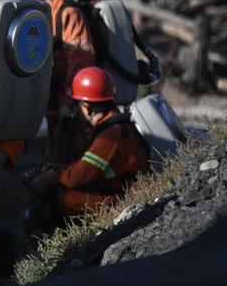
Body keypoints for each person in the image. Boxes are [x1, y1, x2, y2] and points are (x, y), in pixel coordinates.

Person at [12, 0, 95, 164]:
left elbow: (80, 65)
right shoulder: (44, 13)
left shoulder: (69, 14)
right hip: (55, 109)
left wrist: (69, 104)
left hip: (70, 113)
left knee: (69, 162)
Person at [29, 67, 150, 216]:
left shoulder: (110, 136)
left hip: (127, 199)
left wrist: (53, 177)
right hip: (122, 188)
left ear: (86, 108)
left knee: (67, 199)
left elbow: (80, 175)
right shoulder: (114, 125)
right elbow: (87, 167)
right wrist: (58, 168)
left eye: (76, 106)